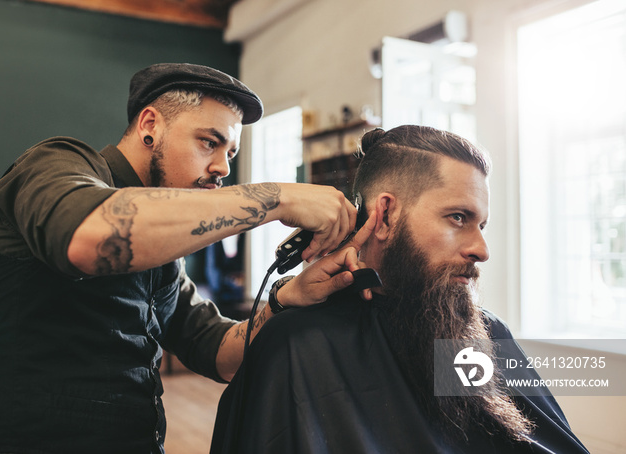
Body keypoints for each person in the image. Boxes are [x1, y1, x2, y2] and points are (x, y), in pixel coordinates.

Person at [0, 63, 364, 453]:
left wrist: (284, 298)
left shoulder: (166, 256)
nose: (223, 166)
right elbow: (90, 237)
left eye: (231, 151)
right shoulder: (54, 163)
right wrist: (277, 197)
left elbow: (217, 350)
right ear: (150, 125)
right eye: (210, 141)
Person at [210, 125, 590, 454]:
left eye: (482, 225)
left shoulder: (485, 335)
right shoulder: (296, 344)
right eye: (458, 218)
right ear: (386, 214)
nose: (481, 250)